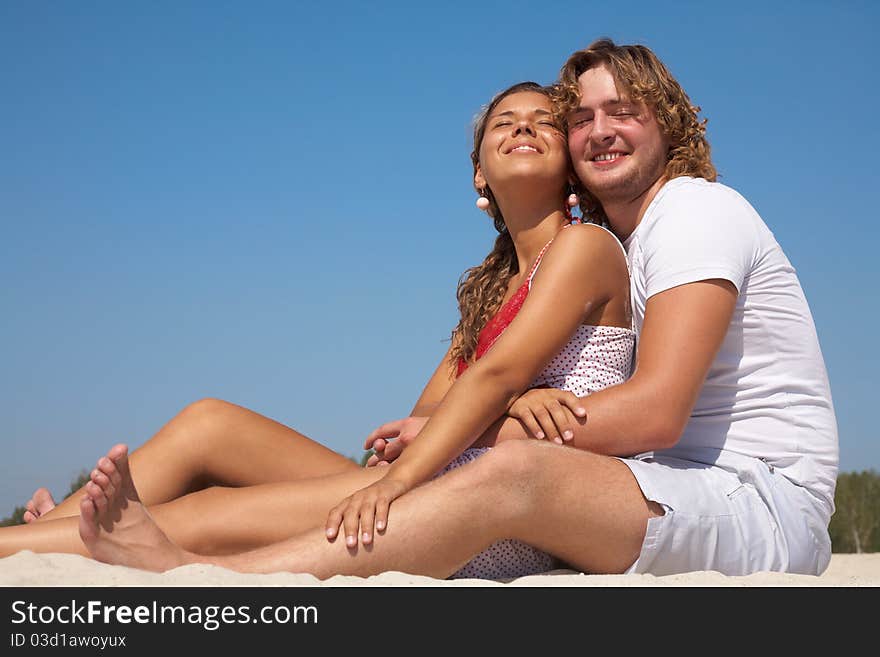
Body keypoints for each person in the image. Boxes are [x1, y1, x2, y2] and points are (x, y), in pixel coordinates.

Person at [9, 38, 841, 578]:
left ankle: (191, 569)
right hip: (619, 480)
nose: (594, 128)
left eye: (620, 110)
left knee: (477, 472)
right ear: (479, 177)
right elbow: (438, 412)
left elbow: (649, 408)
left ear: (664, 123)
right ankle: (43, 539)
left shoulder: (676, 218)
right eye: (578, 114)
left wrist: (435, 455)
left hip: (749, 502)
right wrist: (448, 438)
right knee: (211, 423)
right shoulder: (513, 279)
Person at [1, 81, 639, 579]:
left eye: (544, 122)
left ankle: (32, 541)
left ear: (571, 167)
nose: (524, 126)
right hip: (435, 472)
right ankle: (51, 529)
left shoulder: (583, 248)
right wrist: (512, 403)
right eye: (505, 123)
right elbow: (423, 419)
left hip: (492, 514)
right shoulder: (491, 289)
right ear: (478, 173)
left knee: (206, 515)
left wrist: (489, 406)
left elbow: (495, 379)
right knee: (208, 420)